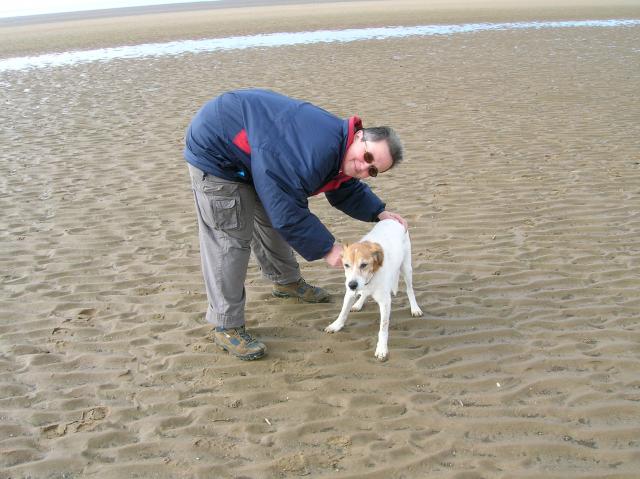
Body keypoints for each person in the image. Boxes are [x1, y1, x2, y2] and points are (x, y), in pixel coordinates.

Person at [184, 88, 408, 360]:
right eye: (368, 157)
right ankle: (226, 325)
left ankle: (286, 283)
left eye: (373, 170)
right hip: (217, 150)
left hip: (256, 155)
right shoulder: (317, 150)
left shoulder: (340, 147)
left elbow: (344, 188)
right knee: (230, 239)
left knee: (268, 220)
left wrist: (379, 212)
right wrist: (328, 248)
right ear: (360, 135)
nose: (364, 167)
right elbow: (287, 211)